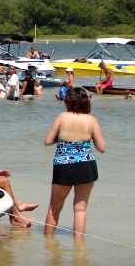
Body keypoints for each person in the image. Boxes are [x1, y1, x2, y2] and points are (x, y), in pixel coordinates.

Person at [44, 87, 105, 238]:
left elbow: (47, 141)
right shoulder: (91, 120)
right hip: (86, 166)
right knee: (80, 209)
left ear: (68, 101)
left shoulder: (62, 117)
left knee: (54, 207)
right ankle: (79, 247)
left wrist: (63, 140)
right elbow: (102, 148)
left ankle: (48, 244)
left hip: (63, 166)